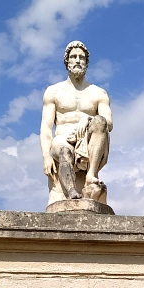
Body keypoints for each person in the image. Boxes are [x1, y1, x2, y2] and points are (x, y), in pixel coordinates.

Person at [40, 41, 113, 205]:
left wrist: (88, 119)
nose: (78, 60)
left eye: (82, 57)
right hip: (62, 139)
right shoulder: (54, 91)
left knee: (100, 121)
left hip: (88, 141)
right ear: (67, 62)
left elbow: (108, 123)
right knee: (64, 150)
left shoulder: (98, 92)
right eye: (73, 57)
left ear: (87, 63)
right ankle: (71, 192)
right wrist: (46, 157)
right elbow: (46, 128)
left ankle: (91, 176)